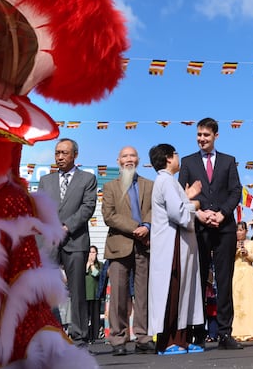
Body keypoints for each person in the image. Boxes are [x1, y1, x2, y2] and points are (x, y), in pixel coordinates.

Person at [178, 117, 245, 350]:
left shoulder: (228, 161)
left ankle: (225, 333)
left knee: (224, 281)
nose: (201, 139)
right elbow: (183, 195)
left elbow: (236, 191)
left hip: (224, 228)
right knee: (198, 281)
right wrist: (200, 214)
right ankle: (198, 332)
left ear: (216, 136)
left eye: (206, 135)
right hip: (199, 228)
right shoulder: (187, 163)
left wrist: (223, 213)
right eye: (198, 135)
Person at [37, 138, 99, 347]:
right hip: (50, 242)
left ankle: (80, 337)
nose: (60, 157)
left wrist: (66, 227)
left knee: (77, 291)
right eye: (57, 153)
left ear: (75, 155)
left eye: (64, 153)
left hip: (76, 241)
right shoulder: (46, 181)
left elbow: (87, 208)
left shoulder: (87, 179)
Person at [148, 143, 205, 355]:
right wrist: (196, 206)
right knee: (173, 290)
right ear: (169, 158)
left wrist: (189, 197)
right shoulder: (166, 181)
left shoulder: (168, 181)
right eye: (176, 155)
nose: (178, 159)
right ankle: (168, 341)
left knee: (183, 291)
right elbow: (178, 213)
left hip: (179, 243)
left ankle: (181, 339)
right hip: (172, 245)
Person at [100, 145, 155, 355]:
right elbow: (109, 216)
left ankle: (143, 336)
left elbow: (153, 210)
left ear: (138, 160)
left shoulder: (149, 185)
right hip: (119, 246)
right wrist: (137, 228)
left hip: (144, 246)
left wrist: (147, 226)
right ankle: (118, 339)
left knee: (143, 294)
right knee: (119, 296)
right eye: (124, 156)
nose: (129, 159)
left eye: (132, 155)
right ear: (118, 161)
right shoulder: (110, 187)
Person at [232, 221, 253, 342]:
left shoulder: (251, 243)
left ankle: (252, 331)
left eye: (241, 230)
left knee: (249, 302)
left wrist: (247, 254)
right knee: (236, 301)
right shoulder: (231, 244)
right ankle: (236, 332)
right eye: (237, 230)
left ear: (246, 231)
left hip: (248, 273)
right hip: (235, 273)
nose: (239, 233)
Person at [85, 246, 104, 342]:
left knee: (95, 316)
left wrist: (92, 265)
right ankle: (86, 335)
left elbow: (96, 274)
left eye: (93, 252)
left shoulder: (100, 264)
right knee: (85, 317)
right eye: (90, 252)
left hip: (95, 294)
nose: (92, 254)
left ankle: (94, 335)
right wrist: (87, 265)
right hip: (85, 295)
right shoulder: (83, 264)